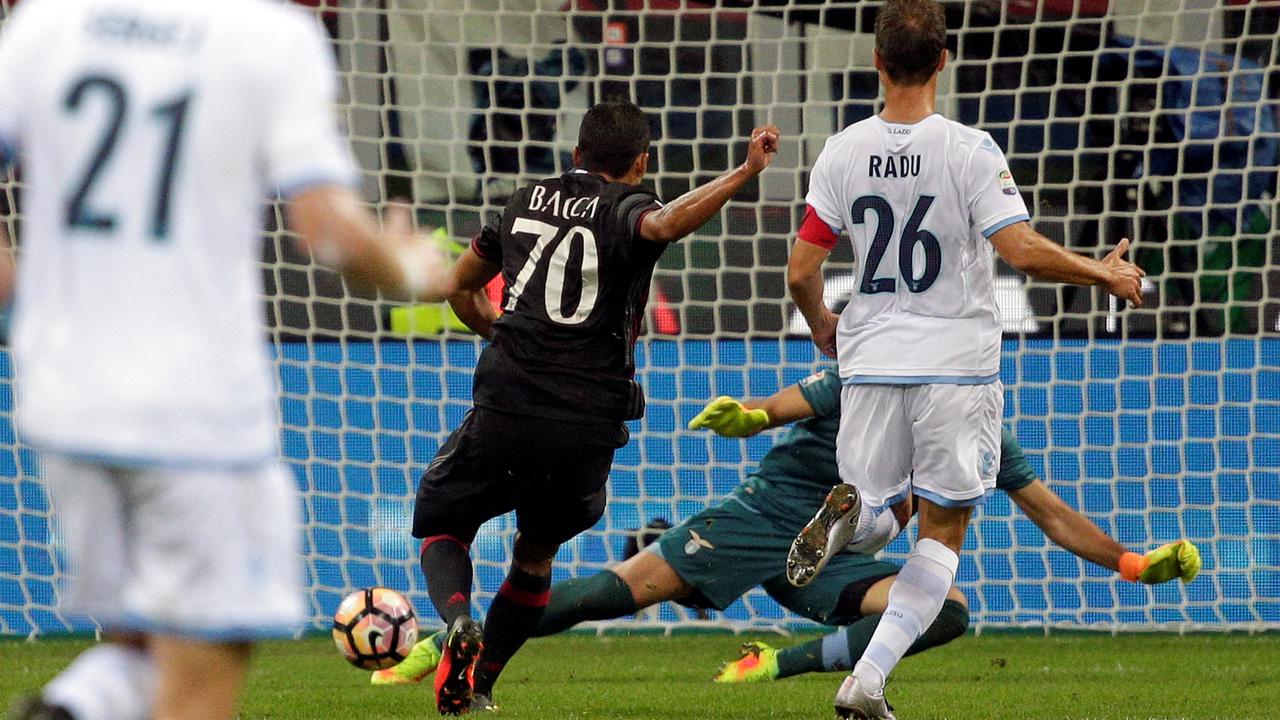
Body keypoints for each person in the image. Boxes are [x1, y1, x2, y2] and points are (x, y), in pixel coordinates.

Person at [0, 2, 451, 719]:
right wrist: (410, 267)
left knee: (138, 648)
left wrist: (25, 308)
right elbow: (328, 231)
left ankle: (70, 708)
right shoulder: (268, 37)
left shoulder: (47, 24)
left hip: (63, 400)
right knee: (198, 684)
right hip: (195, 408)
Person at [371, 370, 1200, 687]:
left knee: (943, 610)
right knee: (612, 595)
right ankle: (449, 642)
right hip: (763, 518)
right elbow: (784, 404)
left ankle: (778, 661)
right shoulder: (870, 377)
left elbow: (1051, 514)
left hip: (829, 563)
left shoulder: (977, 426)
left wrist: (1131, 563)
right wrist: (747, 416)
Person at [783, 1, 1145, 716]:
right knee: (941, 532)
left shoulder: (842, 151)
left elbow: (801, 270)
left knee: (882, 513)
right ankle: (866, 680)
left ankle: (852, 523)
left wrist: (824, 324)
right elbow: (1021, 251)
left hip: (871, 361)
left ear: (877, 62)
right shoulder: (970, 149)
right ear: (943, 61)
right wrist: (1101, 273)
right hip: (954, 365)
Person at [412, 100, 779, 714]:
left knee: (442, 525)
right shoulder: (630, 207)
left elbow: (459, 285)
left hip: (509, 400)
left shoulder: (522, 202)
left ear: (576, 153)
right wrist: (742, 172)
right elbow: (664, 225)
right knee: (535, 556)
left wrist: (505, 333)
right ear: (642, 163)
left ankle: (456, 620)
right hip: (588, 420)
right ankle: (479, 686)